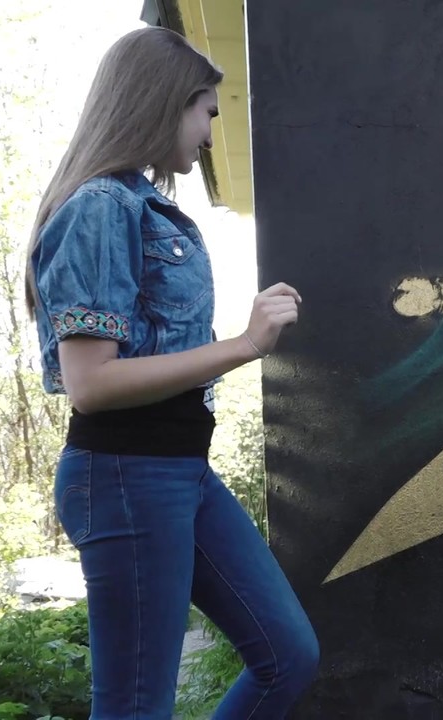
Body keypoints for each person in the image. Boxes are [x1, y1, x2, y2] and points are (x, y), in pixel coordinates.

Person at [24, 27, 319, 719]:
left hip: (181, 469)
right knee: (136, 708)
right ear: (164, 103)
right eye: (206, 113)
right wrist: (245, 344)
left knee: (288, 656)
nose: (211, 135)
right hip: (126, 475)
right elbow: (91, 385)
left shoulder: (140, 205)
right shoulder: (101, 208)